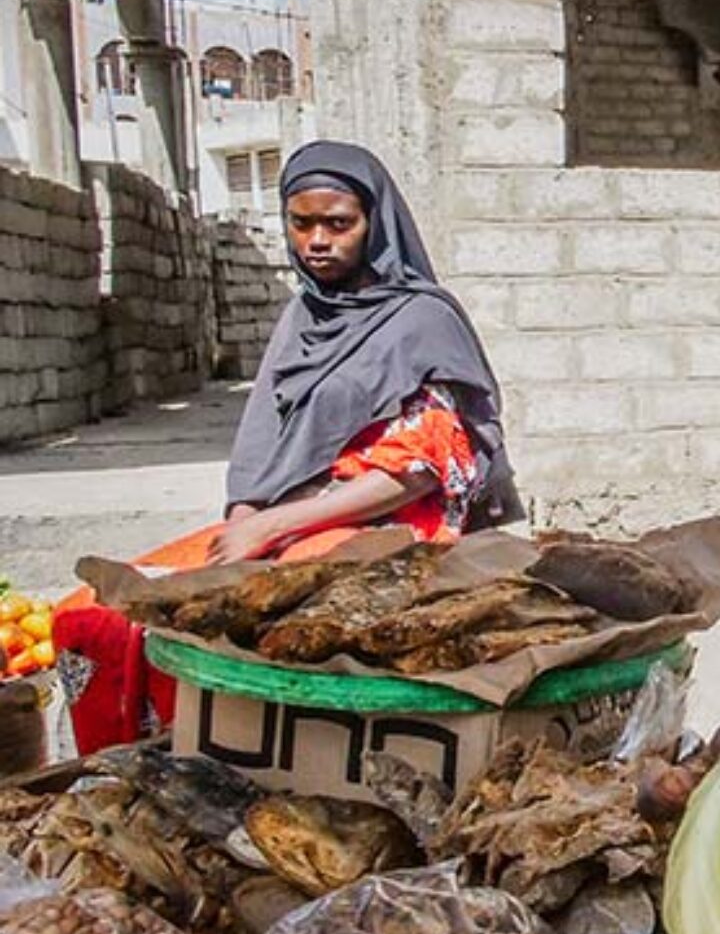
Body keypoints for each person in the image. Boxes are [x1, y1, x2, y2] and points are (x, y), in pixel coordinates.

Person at [52, 140, 519, 752]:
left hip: (389, 530)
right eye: (302, 223)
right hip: (283, 525)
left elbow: (421, 469)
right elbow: (263, 446)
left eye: (338, 223)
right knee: (98, 616)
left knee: (236, 631)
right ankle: (128, 770)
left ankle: (234, 765)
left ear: (374, 225)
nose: (318, 240)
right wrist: (247, 519)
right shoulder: (303, 318)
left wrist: (272, 527)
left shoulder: (420, 319)